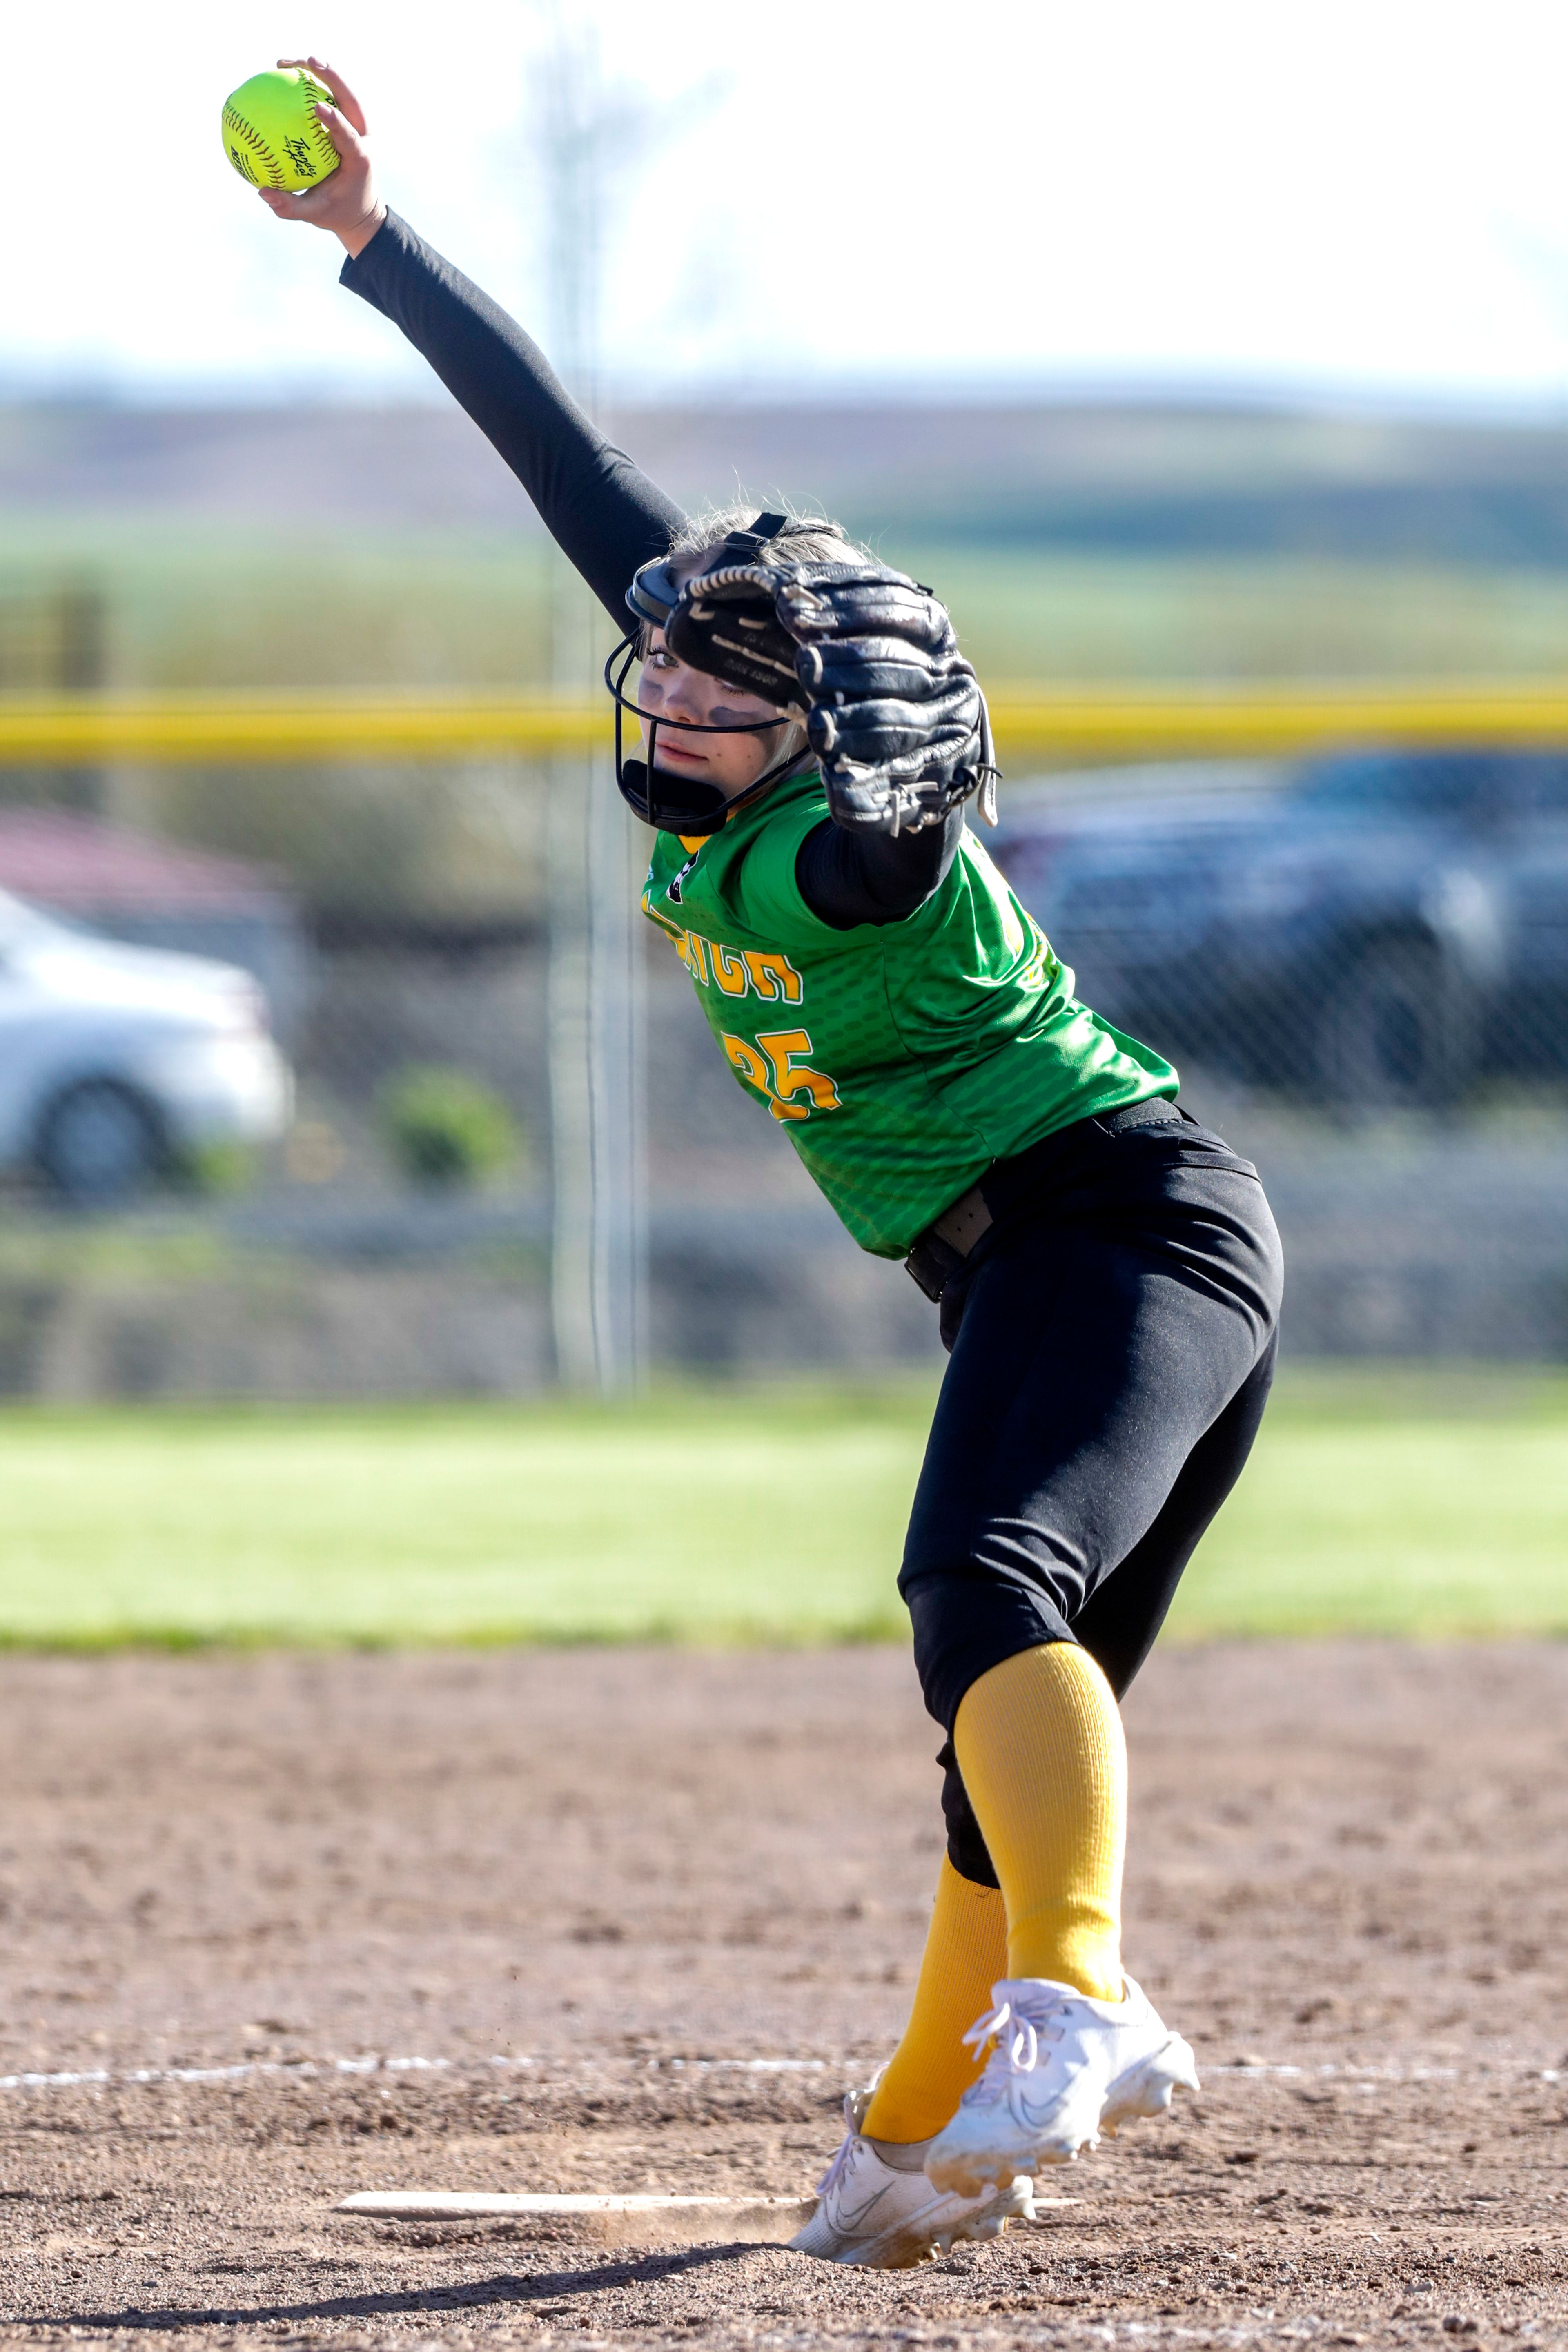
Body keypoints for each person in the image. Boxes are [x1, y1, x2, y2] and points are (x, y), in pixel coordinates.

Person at [259, 61, 1284, 2273]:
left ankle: (1083, 2002)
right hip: (1066, 1252)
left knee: (983, 1590)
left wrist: (911, 783)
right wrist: (376, 240)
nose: (668, 695)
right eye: (671, 667)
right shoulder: (753, 785)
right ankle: (928, 2125)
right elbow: (575, 476)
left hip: (1128, 1229)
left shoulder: (832, 851)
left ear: (830, 739)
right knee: (987, 1699)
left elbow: (894, 833)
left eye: (722, 687)